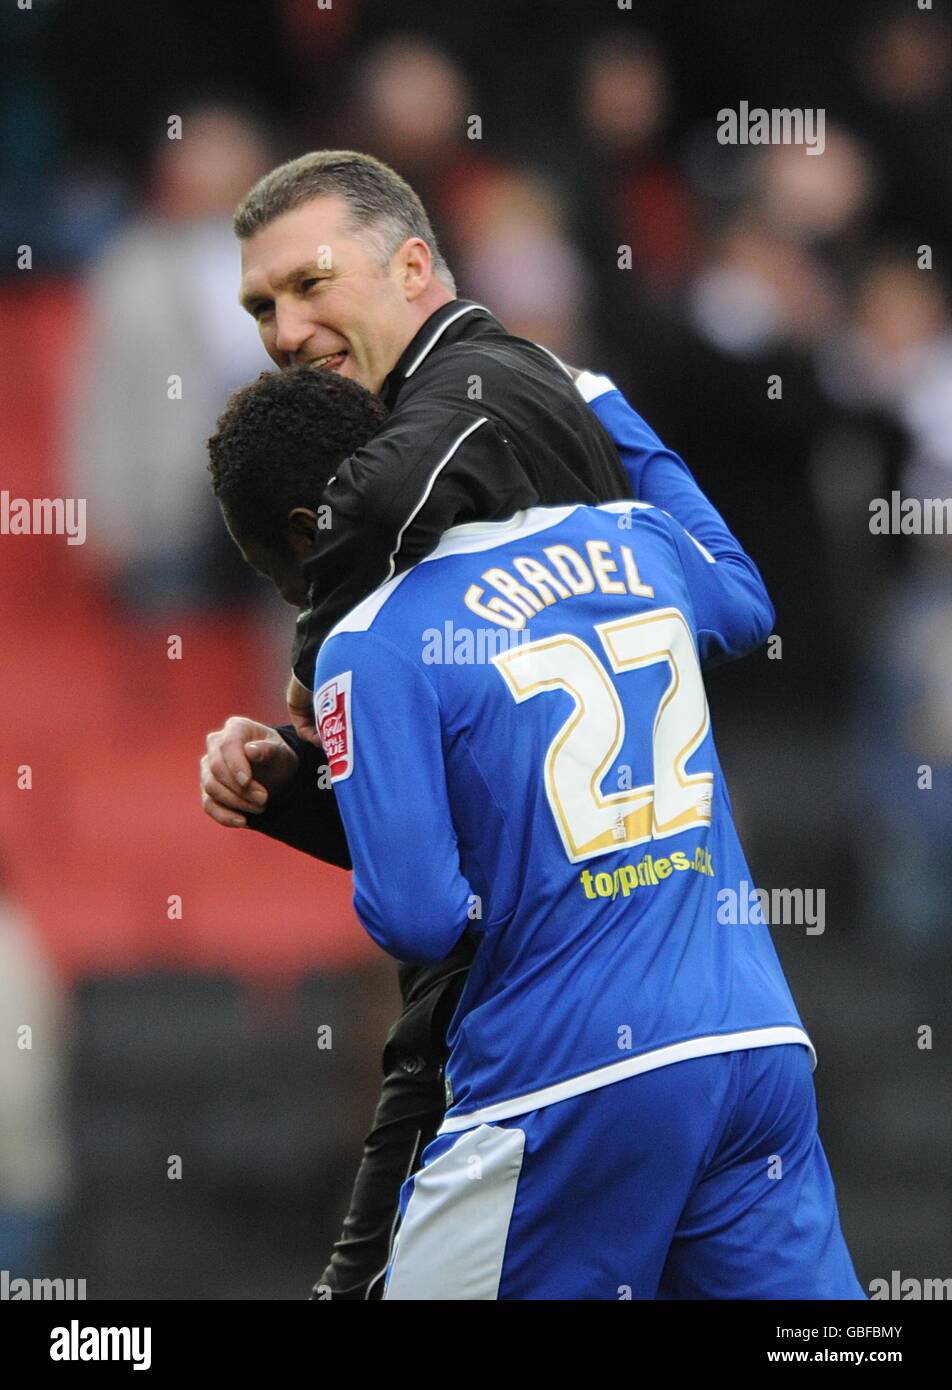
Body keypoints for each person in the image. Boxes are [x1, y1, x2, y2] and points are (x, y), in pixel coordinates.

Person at [205, 365, 865, 1300]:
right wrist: (608, 406)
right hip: (752, 1042)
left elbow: (420, 918)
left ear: (309, 535)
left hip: (563, 1084)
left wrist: (340, 779)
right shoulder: (630, 536)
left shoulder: (369, 644)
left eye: (279, 578)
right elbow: (745, 598)